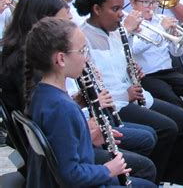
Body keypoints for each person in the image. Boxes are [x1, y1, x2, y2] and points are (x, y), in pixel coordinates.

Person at [75, 0, 183, 185]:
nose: (121, 14)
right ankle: (152, 180)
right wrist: (126, 94)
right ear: (96, 9)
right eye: (115, 9)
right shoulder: (84, 38)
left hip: (131, 96)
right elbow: (94, 86)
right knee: (166, 129)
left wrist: (132, 73)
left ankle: (170, 178)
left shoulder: (115, 31)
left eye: (120, 8)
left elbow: (120, 66)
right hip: (113, 104)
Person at [24, 17, 155, 187]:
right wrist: (108, 169)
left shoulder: (42, 93)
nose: (87, 58)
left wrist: (87, 136)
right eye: (83, 51)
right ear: (61, 59)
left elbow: (60, 143)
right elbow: (70, 175)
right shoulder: (62, 107)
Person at [0, 0, 71, 113]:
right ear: (44, 22)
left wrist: (76, 101)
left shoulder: (16, 50)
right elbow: (41, 117)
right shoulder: (26, 60)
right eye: (61, 24)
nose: (67, 30)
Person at [129, 0, 183, 106]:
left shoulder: (160, 19)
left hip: (168, 72)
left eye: (154, 2)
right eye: (146, 2)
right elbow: (134, 49)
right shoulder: (129, 24)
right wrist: (161, 29)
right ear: (133, 3)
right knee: (175, 103)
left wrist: (174, 38)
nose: (151, 7)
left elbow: (176, 53)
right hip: (147, 76)